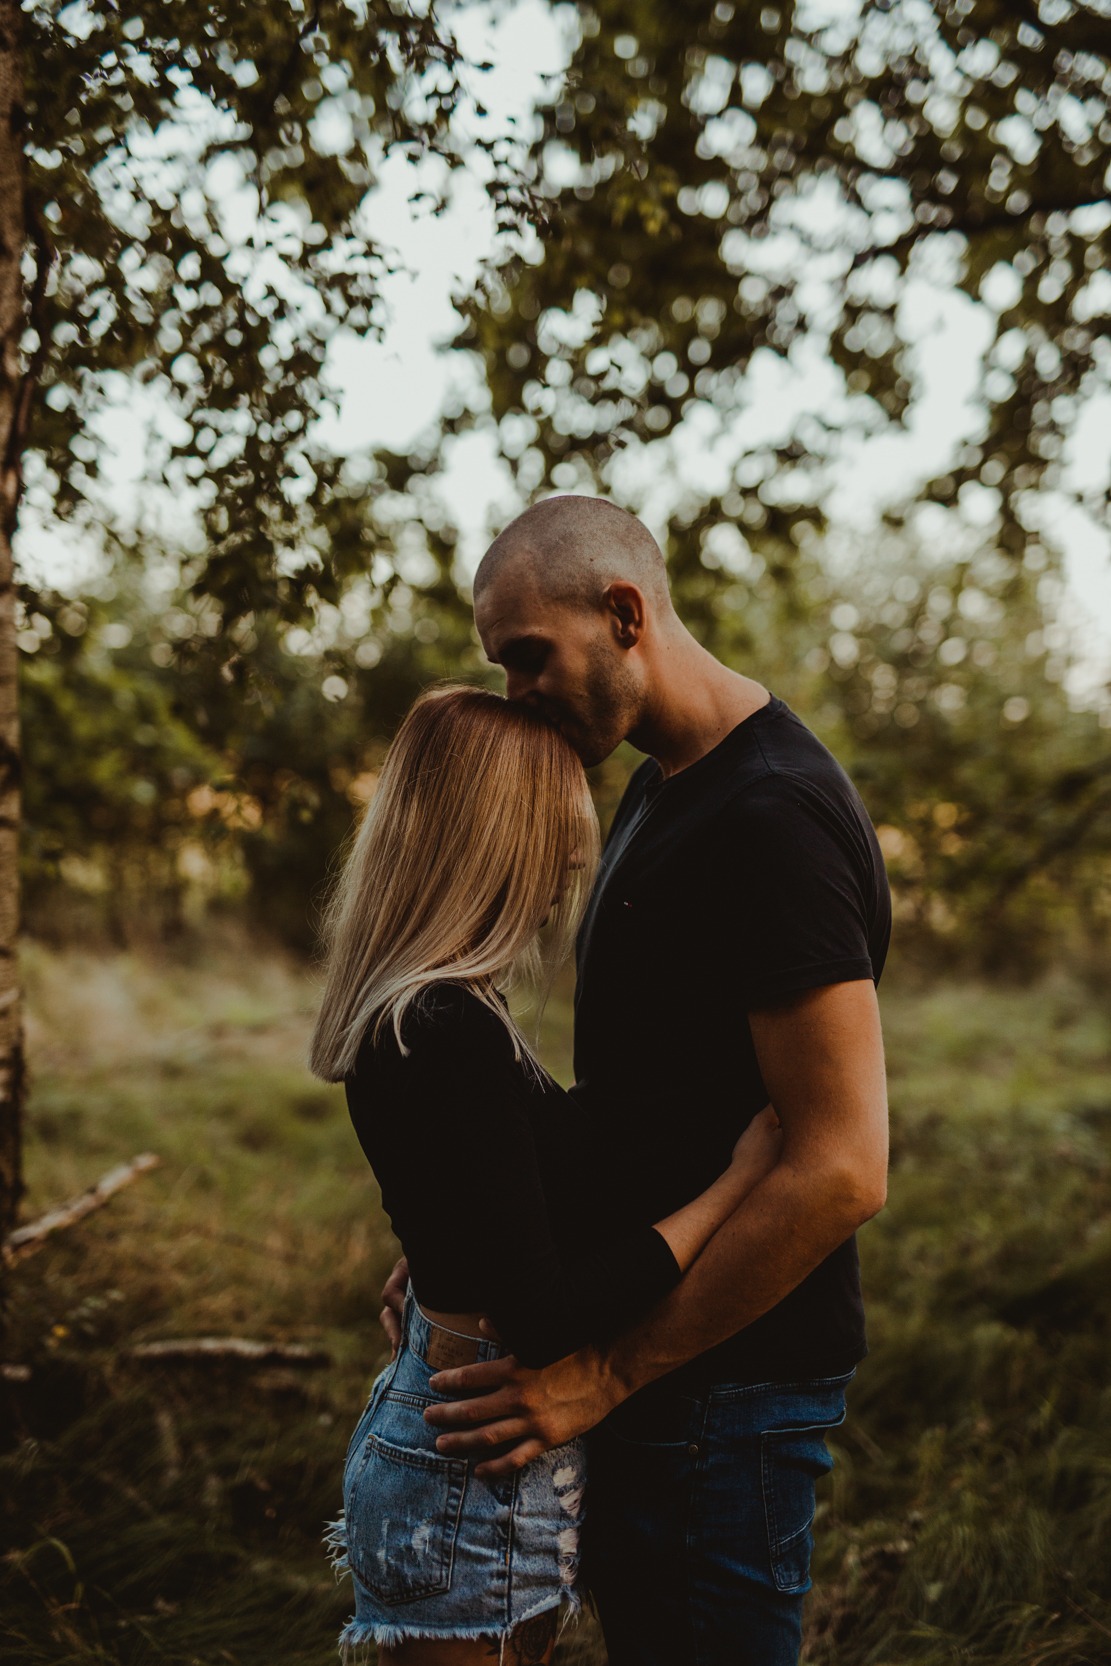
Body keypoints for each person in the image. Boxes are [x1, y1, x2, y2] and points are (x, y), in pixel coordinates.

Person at [382, 496, 892, 1666]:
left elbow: (838, 1167)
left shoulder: (771, 815)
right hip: (647, 1353)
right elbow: (646, 1093)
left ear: (622, 614)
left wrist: (606, 1374)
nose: (516, 694)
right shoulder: (664, 785)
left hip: (724, 1388)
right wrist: (487, 1215)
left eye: (527, 657)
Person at [310, 682, 787, 1666]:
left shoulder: (428, 1010)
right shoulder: (446, 1028)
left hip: (459, 1442)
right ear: (495, 835)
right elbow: (540, 1312)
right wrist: (732, 1189)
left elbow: (471, 1186)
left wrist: (438, 1249)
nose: (574, 858)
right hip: (472, 1462)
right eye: (558, 831)